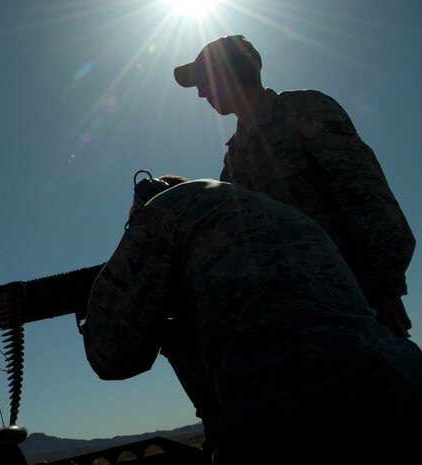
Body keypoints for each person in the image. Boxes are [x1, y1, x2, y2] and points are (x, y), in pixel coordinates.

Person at [82, 176, 422, 464]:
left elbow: (111, 356)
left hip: (287, 418)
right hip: (407, 384)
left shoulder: (162, 209)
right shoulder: (273, 209)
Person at [173, 35, 415, 337]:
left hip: (356, 304)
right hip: (291, 317)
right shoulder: (234, 156)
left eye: (204, 79)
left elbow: (367, 194)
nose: (200, 93)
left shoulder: (304, 110)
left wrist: (383, 286)